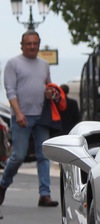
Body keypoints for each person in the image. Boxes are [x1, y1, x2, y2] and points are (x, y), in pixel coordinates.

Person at [0, 30, 58, 208]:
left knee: (43, 156)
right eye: (29, 43)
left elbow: (48, 85)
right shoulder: (13, 63)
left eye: (35, 43)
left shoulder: (43, 64)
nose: (32, 46)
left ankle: (44, 195)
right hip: (21, 117)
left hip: (42, 117)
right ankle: (2, 185)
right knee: (18, 156)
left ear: (39, 45)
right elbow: (10, 91)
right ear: (22, 45)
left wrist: (50, 93)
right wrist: (18, 113)